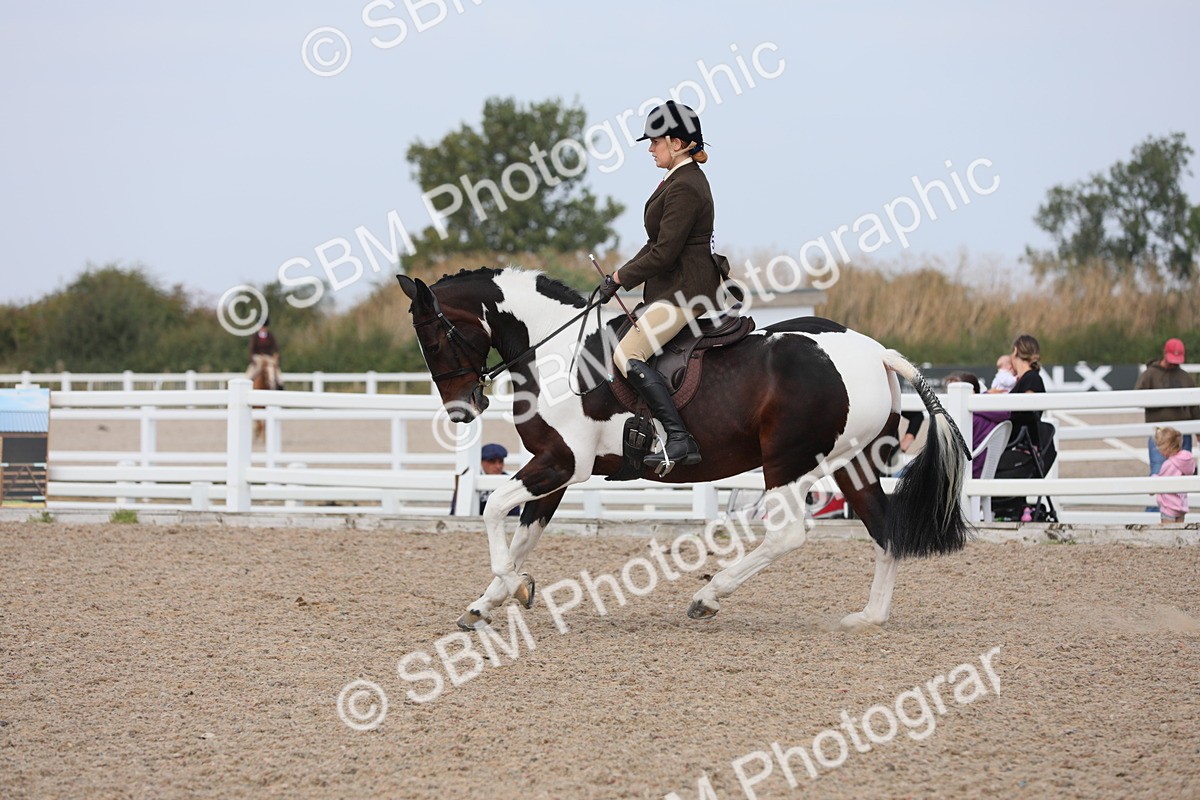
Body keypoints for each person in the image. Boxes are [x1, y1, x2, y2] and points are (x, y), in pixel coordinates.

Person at [597, 101, 724, 472]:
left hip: (687, 291)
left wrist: (620, 279)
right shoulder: (676, 180)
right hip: (675, 287)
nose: (650, 148)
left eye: (655, 141)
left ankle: (679, 438)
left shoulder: (686, 185)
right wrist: (617, 277)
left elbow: (665, 253)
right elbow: (656, 242)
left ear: (678, 143)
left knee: (627, 356)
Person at [1134, 338, 1198, 478]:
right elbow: (1138, 398)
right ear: (1165, 353)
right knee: (1158, 469)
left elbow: (1194, 406)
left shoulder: (1184, 377)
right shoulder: (1150, 375)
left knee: (1183, 471)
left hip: (1181, 432)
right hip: (1160, 432)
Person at [944, 372, 1011, 478]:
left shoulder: (971, 419)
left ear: (972, 391)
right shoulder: (991, 414)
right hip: (981, 471)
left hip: (967, 472)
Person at [451, 443, 520, 516]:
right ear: (481, 462)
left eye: (500, 461)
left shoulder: (508, 481)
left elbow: (514, 513)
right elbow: (455, 509)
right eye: (492, 461)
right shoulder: (469, 480)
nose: (498, 466)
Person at [1008, 334, 1046, 447]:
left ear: (1015, 351)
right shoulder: (1030, 379)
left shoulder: (1031, 379)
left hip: (1020, 447)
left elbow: (1026, 415)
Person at [1153, 426, 1194, 523]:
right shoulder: (1187, 460)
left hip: (1169, 506)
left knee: (1168, 535)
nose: (1160, 451)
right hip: (1181, 506)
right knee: (1179, 535)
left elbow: (1161, 481)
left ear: (1167, 447)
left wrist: (1153, 479)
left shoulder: (1169, 464)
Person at [246, 318, 283, 389]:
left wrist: (276, 356)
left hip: (268, 357)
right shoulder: (255, 336)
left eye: (264, 327)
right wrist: (253, 360)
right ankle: (248, 382)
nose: (263, 328)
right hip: (258, 357)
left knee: (277, 372)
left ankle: (280, 385)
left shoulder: (270, 336)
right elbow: (251, 349)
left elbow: (276, 348)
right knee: (251, 372)